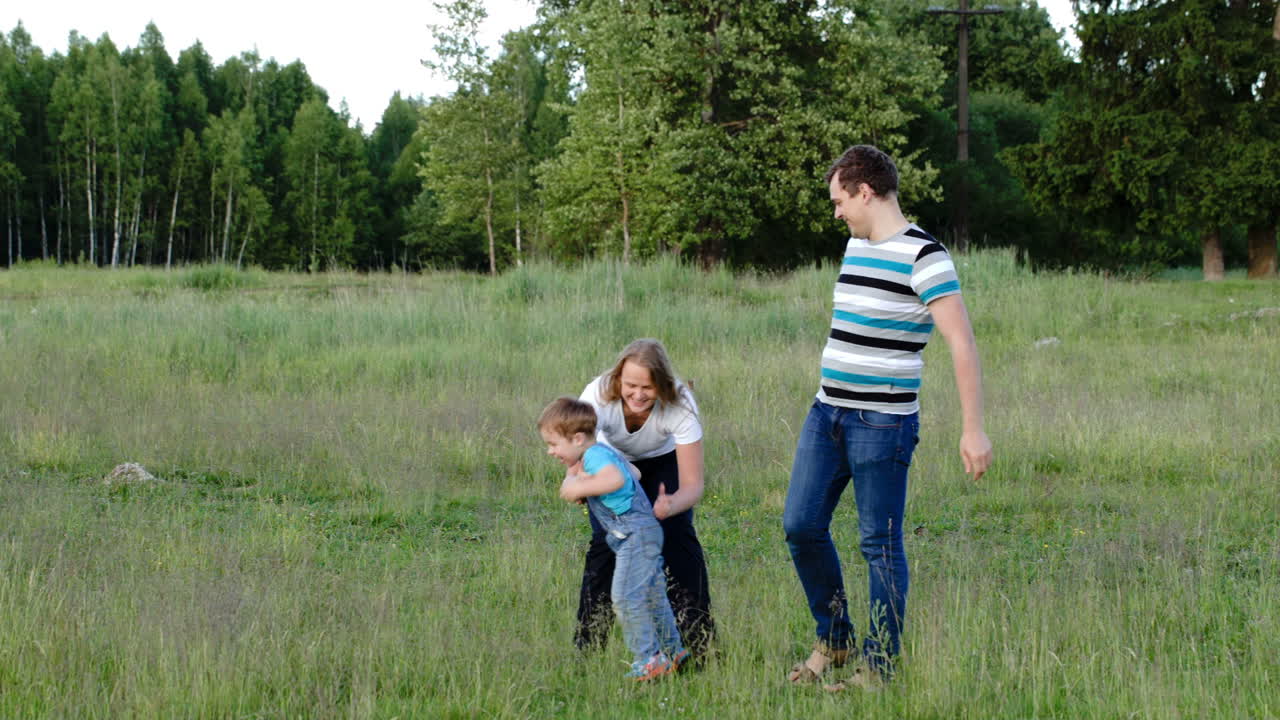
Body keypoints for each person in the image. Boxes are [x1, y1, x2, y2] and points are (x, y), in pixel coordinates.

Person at [783, 145, 993, 690]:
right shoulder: (856, 246)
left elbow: (962, 343)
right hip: (826, 413)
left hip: (882, 425)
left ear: (865, 191)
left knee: (879, 545)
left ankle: (878, 667)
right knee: (801, 525)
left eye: (839, 201)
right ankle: (835, 638)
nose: (837, 213)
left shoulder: (925, 256)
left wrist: (973, 428)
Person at [574, 339, 716, 659]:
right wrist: (581, 482)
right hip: (609, 462)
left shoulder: (681, 404)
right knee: (608, 541)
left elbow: (693, 485)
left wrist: (671, 505)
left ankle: (698, 643)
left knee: (677, 535)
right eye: (631, 386)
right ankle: (589, 648)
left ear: (663, 385)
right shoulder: (596, 395)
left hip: (663, 462)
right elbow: (576, 448)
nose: (638, 395)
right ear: (618, 380)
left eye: (647, 388)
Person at [538, 397, 688, 681]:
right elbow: (634, 473)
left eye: (554, 444)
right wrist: (584, 482)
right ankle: (674, 652)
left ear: (578, 439)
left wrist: (579, 487)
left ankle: (648, 659)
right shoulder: (602, 453)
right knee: (653, 595)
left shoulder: (594, 457)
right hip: (644, 532)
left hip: (635, 536)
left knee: (625, 598)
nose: (550, 451)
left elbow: (615, 480)